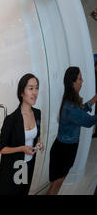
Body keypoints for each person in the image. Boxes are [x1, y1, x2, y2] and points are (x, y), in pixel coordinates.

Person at [47, 66, 97, 195]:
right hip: (63, 151)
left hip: (66, 149)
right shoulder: (70, 106)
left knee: (57, 184)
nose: (82, 81)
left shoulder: (71, 101)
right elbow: (88, 121)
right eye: (80, 78)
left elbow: (81, 111)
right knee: (56, 185)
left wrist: (94, 99)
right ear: (73, 82)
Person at [0, 73, 44, 195]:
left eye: (37, 88)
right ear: (22, 93)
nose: (35, 92)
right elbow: (0, 149)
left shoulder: (37, 113)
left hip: (28, 164)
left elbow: (36, 135)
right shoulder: (11, 119)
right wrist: (22, 148)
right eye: (31, 88)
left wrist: (39, 143)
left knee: (23, 191)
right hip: (13, 166)